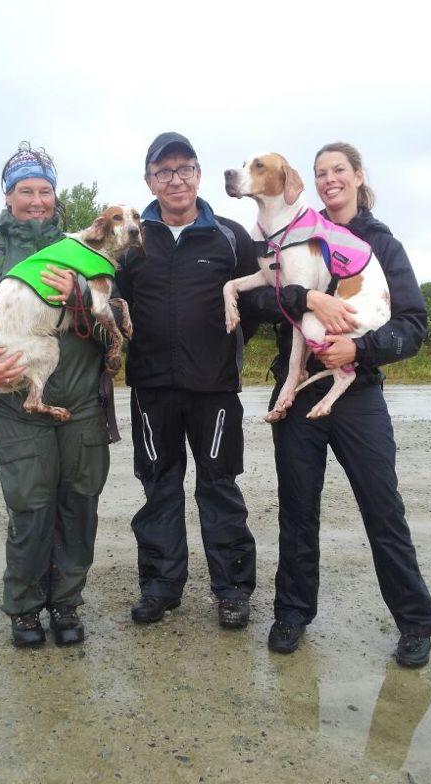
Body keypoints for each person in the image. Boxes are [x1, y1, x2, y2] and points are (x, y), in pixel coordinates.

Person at [246, 142, 431, 667]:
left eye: (339, 171)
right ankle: (292, 614)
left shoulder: (382, 244)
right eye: (320, 173)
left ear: (357, 176)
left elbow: (413, 325)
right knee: (297, 510)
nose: (330, 180)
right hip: (297, 385)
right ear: (307, 183)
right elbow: (256, 300)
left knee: (383, 509)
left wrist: (360, 348)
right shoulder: (289, 232)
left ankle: (416, 623)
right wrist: (304, 298)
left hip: (359, 394)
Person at [0, 142, 111, 648]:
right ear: (8, 197)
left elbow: (116, 317)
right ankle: (25, 609)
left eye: (45, 191)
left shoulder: (85, 252)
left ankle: (66, 603)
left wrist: (85, 301)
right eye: (25, 191)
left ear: (56, 199)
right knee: (30, 511)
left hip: (82, 409)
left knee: (79, 510)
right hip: (17, 408)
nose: (36, 200)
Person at [115, 132, 258, 628]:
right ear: (149, 180)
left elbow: (254, 304)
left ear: (198, 173)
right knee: (159, 487)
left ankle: (233, 590)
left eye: (184, 169)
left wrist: (223, 350)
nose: (175, 179)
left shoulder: (230, 235)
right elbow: (116, 302)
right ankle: (160, 587)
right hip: (151, 387)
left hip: (215, 388)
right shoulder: (131, 238)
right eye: (163, 172)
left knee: (219, 487)